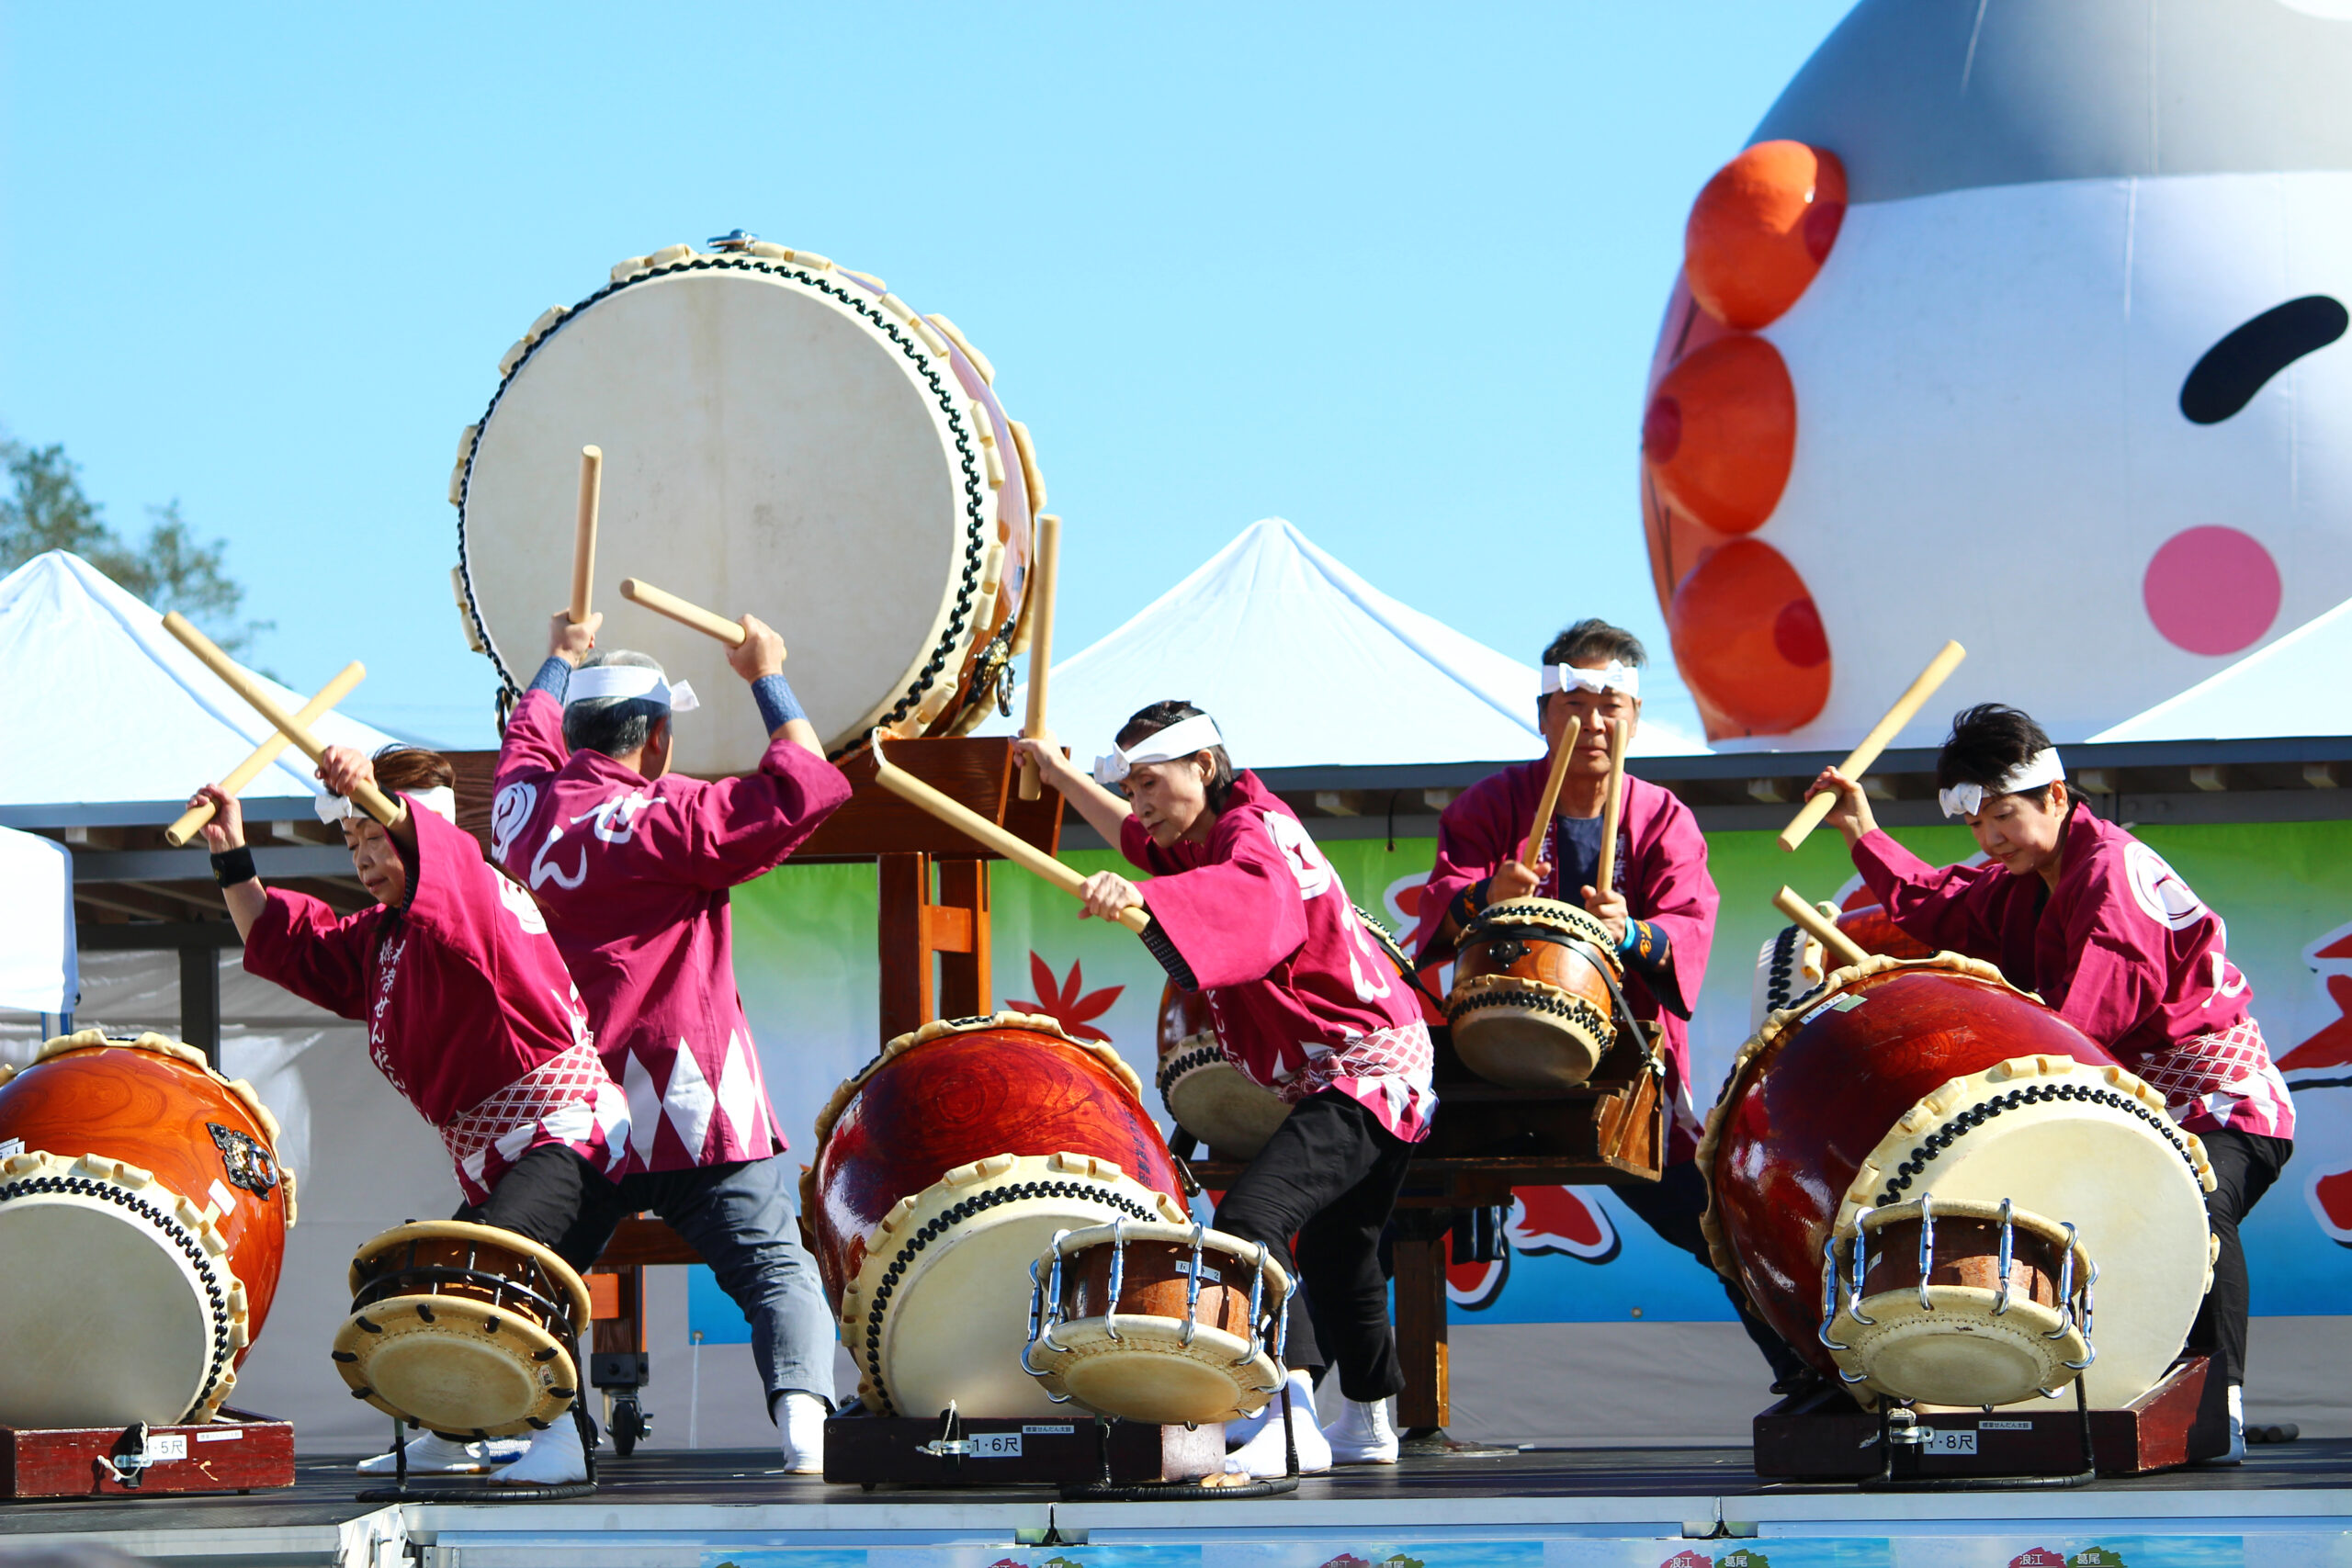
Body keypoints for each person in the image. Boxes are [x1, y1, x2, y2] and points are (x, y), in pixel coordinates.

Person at [1805, 702, 2294, 1461]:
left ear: (2056, 796)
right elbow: (1940, 905)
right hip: (2138, 1103)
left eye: (2003, 816)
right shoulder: (2023, 880)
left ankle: (2215, 1408)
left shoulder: (2110, 874)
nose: (1992, 838)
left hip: (2219, 1103)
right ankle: (2132, 1402)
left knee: (2195, 1212)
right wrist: (1862, 832)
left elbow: (2084, 1025)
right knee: (2097, 1225)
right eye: (1979, 827)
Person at [1015, 703, 1435, 1477]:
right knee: (1345, 1251)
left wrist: (1142, 903)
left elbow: (1249, 909)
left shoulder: (1254, 838)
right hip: (1371, 1061)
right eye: (1129, 784)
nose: (1138, 802)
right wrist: (1060, 771)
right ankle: (1369, 1422)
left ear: (1202, 766)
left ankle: (1290, 1414)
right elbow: (1134, 836)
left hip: (1365, 1066)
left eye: (1149, 781)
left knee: (1249, 1221)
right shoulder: (1205, 830)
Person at [191, 746, 628, 1485]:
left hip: (570, 1133)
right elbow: (288, 942)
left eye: (375, 837)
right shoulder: (385, 938)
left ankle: (565, 1439)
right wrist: (232, 852)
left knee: (497, 1270)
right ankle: (455, 1432)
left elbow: (440, 854)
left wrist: (364, 785)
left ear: (416, 826)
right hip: (504, 1155)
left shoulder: (477, 895)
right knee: (425, 1284)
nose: (362, 856)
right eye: (351, 841)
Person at [492, 612, 853, 1472]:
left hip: (579, 1108)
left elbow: (522, 739)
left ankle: (543, 1434)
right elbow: (807, 786)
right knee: (773, 1267)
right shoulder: (672, 814)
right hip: (694, 1095)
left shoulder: (520, 817)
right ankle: (804, 1417)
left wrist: (558, 658)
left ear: (573, 734)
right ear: (655, 739)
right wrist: (768, 673)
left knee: (532, 1278)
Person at [1412, 619, 1806, 1388]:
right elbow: (1437, 906)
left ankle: (1806, 1370)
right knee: (1394, 1207)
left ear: (1634, 716)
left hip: (1620, 1060)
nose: (1593, 722)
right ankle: (1348, 1404)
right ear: (1543, 713)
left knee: (1708, 1214)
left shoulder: (1661, 817)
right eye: (1577, 703)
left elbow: (1688, 920)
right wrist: (1482, 897)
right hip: (1489, 1059)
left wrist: (1635, 933)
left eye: (1610, 705)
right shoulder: (1492, 804)